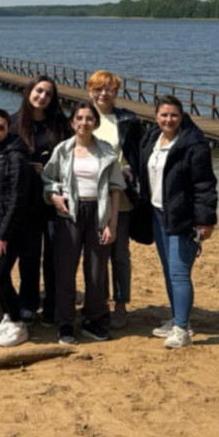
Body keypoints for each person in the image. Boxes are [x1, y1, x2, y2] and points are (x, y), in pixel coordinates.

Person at [137, 95, 217, 349]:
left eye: (173, 115)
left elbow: (205, 184)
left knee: (179, 272)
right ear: (155, 116)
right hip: (158, 213)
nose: (168, 119)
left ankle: (182, 329)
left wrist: (205, 221)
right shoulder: (153, 138)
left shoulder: (194, 143)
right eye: (164, 115)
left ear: (181, 116)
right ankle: (176, 318)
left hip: (184, 216)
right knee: (168, 270)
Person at [42, 103, 126, 345]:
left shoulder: (106, 151)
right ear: (72, 122)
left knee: (97, 271)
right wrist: (54, 196)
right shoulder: (63, 150)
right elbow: (47, 179)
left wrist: (111, 225)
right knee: (65, 271)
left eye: (90, 118)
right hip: (69, 214)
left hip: (98, 213)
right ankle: (65, 323)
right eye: (79, 118)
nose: (84, 122)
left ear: (96, 123)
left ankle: (93, 320)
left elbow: (115, 190)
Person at [9, 75, 72, 325]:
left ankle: (52, 304)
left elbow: (71, 157)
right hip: (27, 200)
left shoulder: (60, 125)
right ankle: (28, 302)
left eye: (48, 93)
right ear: (28, 92)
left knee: (55, 256)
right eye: (38, 91)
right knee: (29, 255)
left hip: (55, 198)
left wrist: (45, 168)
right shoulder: (14, 123)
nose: (42, 97)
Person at [86, 70, 143, 329]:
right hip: (89, 195)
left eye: (109, 88)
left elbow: (139, 154)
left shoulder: (128, 120)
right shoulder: (82, 117)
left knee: (119, 254)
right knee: (96, 253)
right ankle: (99, 302)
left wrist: (131, 170)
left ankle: (121, 304)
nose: (103, 93)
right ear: (90, 91)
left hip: (121, 196)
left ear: (117, 92)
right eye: (98, 88)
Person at [0, 109, 32, 347]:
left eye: (0, 127)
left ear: (9, 127)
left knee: (1, 275)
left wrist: (4, 233)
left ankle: (18, 322)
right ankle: (6, 317)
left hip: (11, 228)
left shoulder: (16, 154)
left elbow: (18, 196)